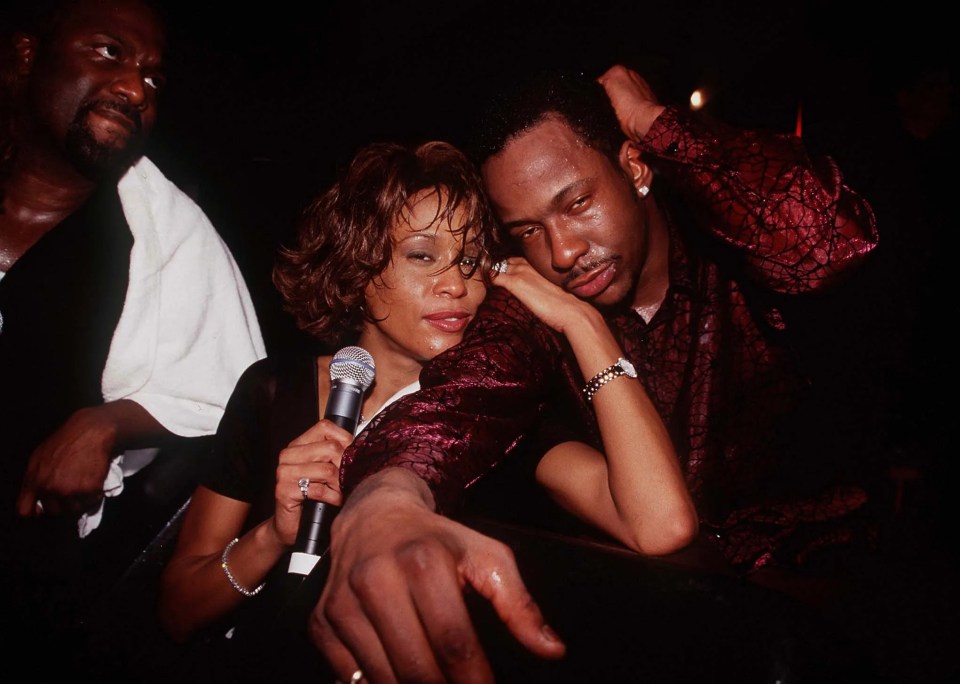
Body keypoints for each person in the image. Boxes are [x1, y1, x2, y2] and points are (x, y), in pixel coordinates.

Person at [308, 64, 888, 683]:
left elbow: (829, 246)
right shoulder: (531, 306)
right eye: (528, 230)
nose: (561, 252)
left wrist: (658, 124)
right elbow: (462, 397)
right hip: (673, 627)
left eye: (577, 203)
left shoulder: (732, 242)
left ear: (635, 169)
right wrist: (386, 498)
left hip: (845, 594)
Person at [155, 140, 491, 676]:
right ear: (357, 268)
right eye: (422, 256)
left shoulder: (485, 411)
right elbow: (177, 612)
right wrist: (272, 537)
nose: (457, 284)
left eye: (470, 259)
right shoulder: (272, 392)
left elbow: (657, 521)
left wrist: (580, 326)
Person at [0, 0, 265, 668]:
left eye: (153, 76)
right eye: (109, 53)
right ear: (26, 57)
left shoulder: (164, 233)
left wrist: (109, 423)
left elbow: (239, 399)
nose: (134, 87)